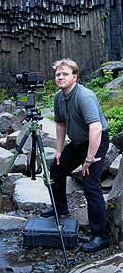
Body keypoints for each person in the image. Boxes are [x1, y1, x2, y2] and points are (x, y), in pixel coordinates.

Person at [41, 58, 110, 253]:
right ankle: (61, 208)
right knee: (56, 169)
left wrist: (89, 159)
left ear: (75, 76)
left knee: (90, 185)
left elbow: (95, 128)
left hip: (96, 141)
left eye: (65, 74)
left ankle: (101, 236)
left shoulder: (84, 96)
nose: (60, 77)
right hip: (79, 142)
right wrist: (60, 150)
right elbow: (61, 124)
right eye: (57, 74)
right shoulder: (58, 97)